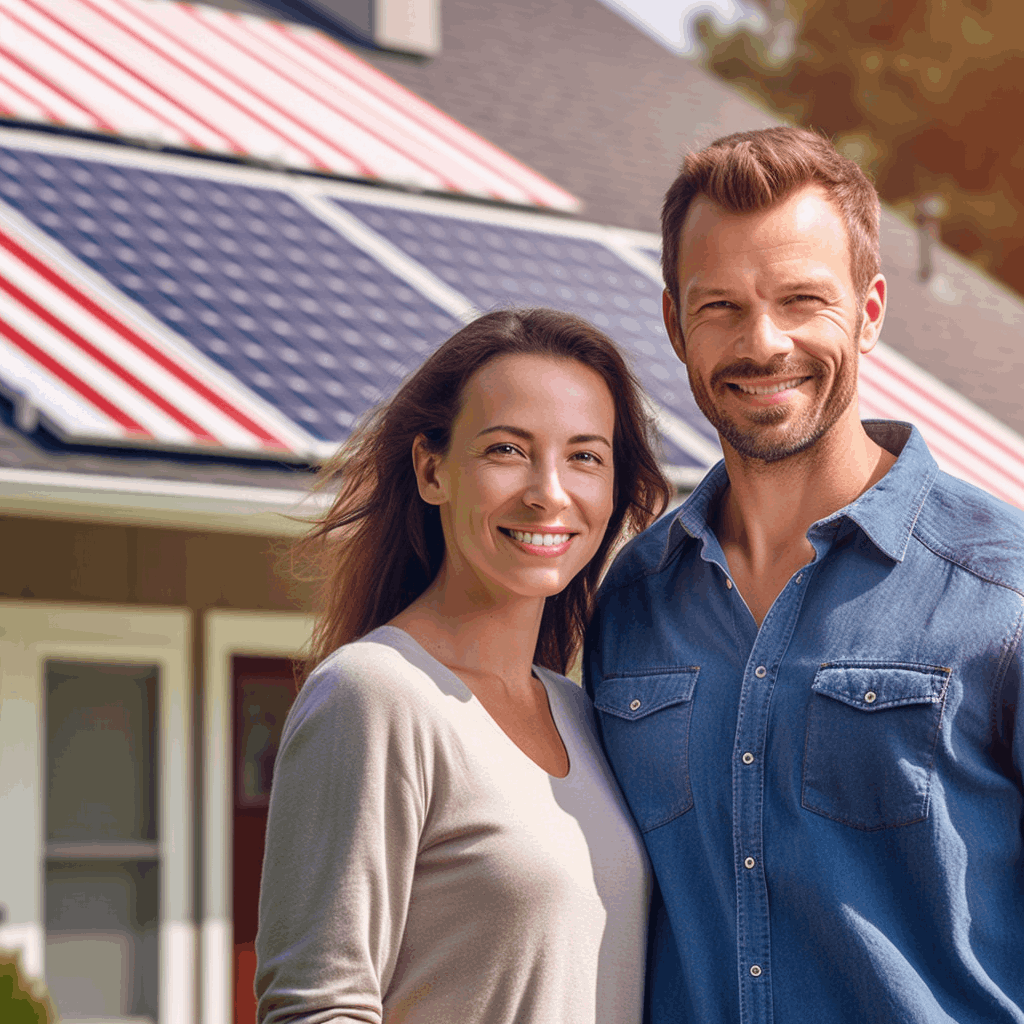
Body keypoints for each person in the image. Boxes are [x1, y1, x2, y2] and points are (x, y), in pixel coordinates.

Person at [586, 126, 1024, 1024]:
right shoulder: (629, 600)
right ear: (673, 324)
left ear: (868, 312)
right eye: (721, 307)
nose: (764, 342)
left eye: (801, 299)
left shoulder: (1005, 591)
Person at [256, 308, 670, 1023]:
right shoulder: (375, 694)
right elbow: (316, 1009)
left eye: (585, 456)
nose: (549, 490)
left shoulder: (579, 711)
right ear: (432, 470)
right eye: (508, 450)